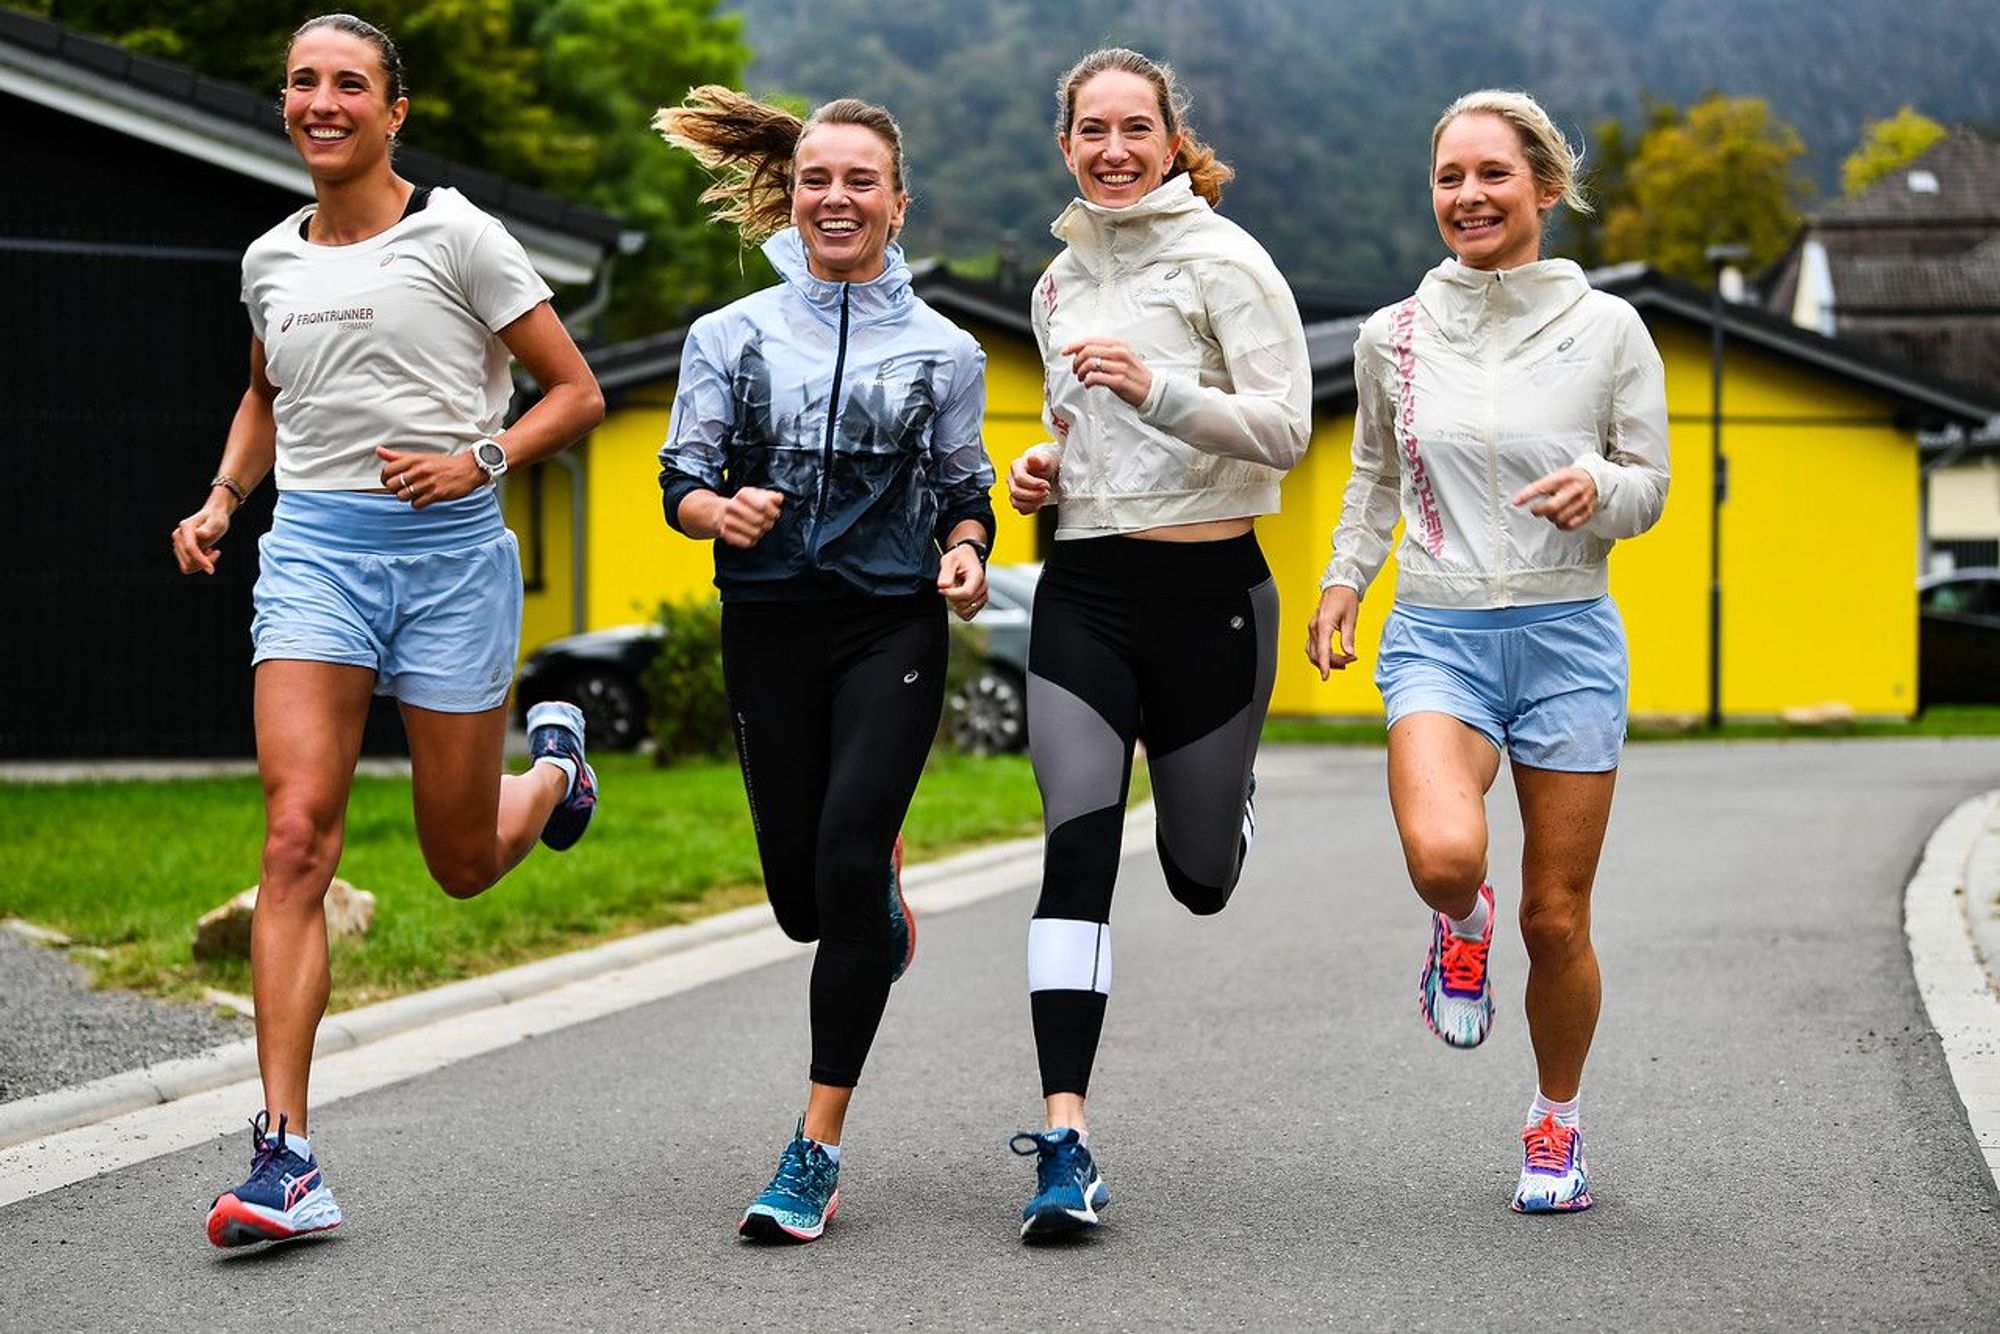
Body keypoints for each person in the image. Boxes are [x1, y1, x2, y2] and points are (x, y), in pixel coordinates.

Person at [171, 13, 605, 1247]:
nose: (322, 101)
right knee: (295, 837)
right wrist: (222, 499)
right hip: (314, 555)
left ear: (393, 111)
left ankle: (555, 770)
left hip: (451, 563)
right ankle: (286, 1155)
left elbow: (576, 392)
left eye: (349, 83)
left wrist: (480, 458)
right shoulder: (269, 258)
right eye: (302, 81)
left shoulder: (458, 234)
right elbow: (264, 396)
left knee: (460, 860)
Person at [1306, 89, 1670, 1214]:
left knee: (1556, 920)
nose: (1467, 195)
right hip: (1439, 633)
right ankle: (1458, 927)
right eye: (1448, 177)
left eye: (1491, 174)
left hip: (1568, 637)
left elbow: (1648, 485)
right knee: (1442, 857)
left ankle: (1555, 1120)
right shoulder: (1394, 337)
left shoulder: (1609, 329)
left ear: (1544, 188)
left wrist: (1598, 487)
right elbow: (1373, 476)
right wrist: (1342, 577)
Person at [653, 86, 996, 1244]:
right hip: (767, 623)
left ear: (898, 203)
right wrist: (716, 512)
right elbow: (680, 477)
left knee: (845, 867)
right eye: (815, 179)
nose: (835, 198)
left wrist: (963, 550)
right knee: (804, 903)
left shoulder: (945, 349)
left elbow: (964, 489)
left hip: (889, 626)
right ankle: (872, 899)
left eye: (859, 180)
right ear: (789, 196)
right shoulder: (728, 336)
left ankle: (814, 1146)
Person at [1004, 48, 1311, 1240]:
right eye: (1092, 129)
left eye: (1135, 127)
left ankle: (1224, 806)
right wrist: (1042, 467)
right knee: (1073, 849)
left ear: (1171, 141)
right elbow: (1071, 431)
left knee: (1198, 878)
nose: (1113, 149)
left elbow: (1285, 429)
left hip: (1208, 594)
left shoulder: (1226, 260)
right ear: (1065, 144)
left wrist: (1156, 389)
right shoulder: (1055, 284)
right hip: (1083, 589)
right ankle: (1064, 1139)